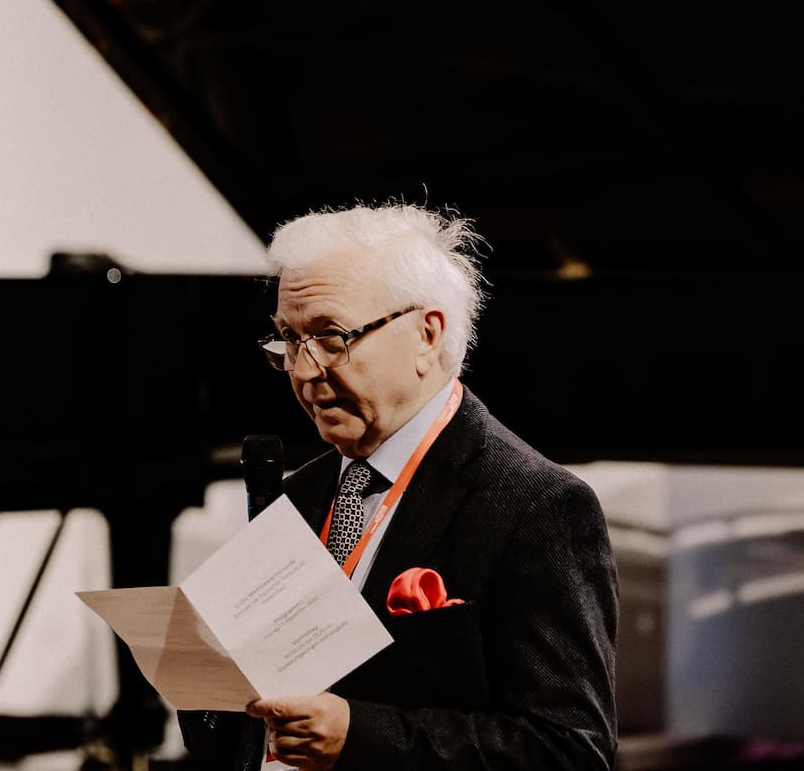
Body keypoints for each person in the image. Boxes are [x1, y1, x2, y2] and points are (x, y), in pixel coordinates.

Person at [179, 204, 618, 770]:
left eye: (330, 337)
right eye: (289, 340)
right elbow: (224, 739)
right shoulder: (297, 497)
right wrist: (205, 679)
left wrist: (358, 736)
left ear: (426, 335)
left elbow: (570, 750)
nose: (305, 371)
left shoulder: (535, 505)